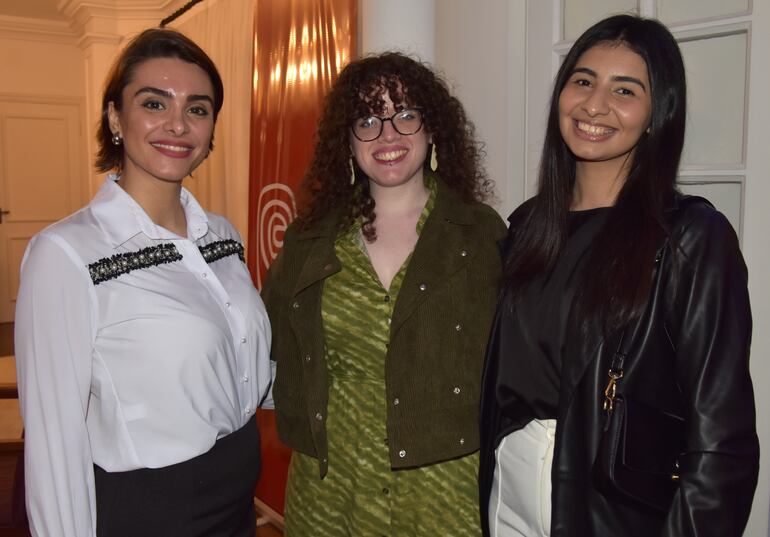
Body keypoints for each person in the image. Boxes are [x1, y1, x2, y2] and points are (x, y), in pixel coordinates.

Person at [478, 14, 758, 537]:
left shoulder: (691, 237)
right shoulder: (526, 226)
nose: (595, 104)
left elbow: (722, 440)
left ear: (657, 113)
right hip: (509, 493)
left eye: (624, 90)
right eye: (583, 81)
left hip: (613, 507)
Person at [15, 28, 272, 537]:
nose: (177, 124)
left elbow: (244, 367)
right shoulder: (66, 254)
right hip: (151, 510)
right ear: (115, 117)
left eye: (197, 109)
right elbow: (54, 443)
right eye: (155, 103)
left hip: (238, 493)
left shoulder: (221, 234)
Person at [261, 51, 506, 536]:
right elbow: (263, 343)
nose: (388, 135)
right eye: (369, 119)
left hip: (442, 489)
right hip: (331, 488)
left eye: (406, 115)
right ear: (347, 141)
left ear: (432, 129)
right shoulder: (308, 240)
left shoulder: (481, 235)